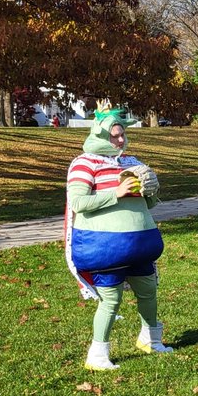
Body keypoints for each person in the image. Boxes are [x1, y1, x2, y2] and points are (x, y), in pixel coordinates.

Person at [65, 106, 170, 371]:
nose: (120, 140)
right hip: (105, 246)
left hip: (140, 246)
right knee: (110, 300)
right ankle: (97, 354)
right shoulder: (84, 162)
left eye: (122, 134)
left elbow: (149, 204)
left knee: (148, 292)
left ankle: (151, 339)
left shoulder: (132, 162)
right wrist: (117, 191)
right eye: (114, 135)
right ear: (100, 135)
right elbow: (78, 201)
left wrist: (152, 190)